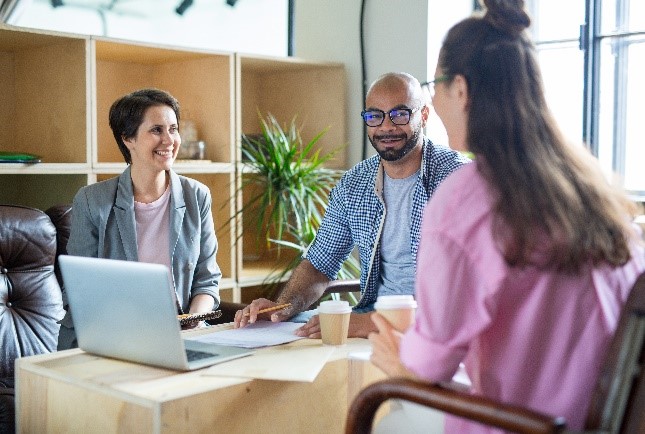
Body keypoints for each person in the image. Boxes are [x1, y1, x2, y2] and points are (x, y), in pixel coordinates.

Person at [368, 1, 645, 432]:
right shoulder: (592, 191)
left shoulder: (465, 197)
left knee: (389, 418)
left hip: (525, 424)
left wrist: (397, 358)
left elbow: (430, 364)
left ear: (460, 89)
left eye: (435, 86)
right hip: (598, 422)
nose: (435, 101)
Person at [234, 72, 470, 338]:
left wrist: (370, 322)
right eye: (374, 116)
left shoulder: (458, 179)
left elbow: (466, 295)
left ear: (424, 116)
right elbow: (319, 264)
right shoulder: (354, 184)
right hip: (368, 327)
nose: (386, 127)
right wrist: (282, 308)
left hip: (432, 331)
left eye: (400, 114)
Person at [58, 88, 221, 350]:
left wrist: (196, 320)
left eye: (173, 129)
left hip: (181, 336)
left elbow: (207, 280)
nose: (169, 140)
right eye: (156, 130)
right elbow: (79, 290)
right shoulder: (92, 200)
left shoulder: (197, 196)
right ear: (128, 139)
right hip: (107, 336)